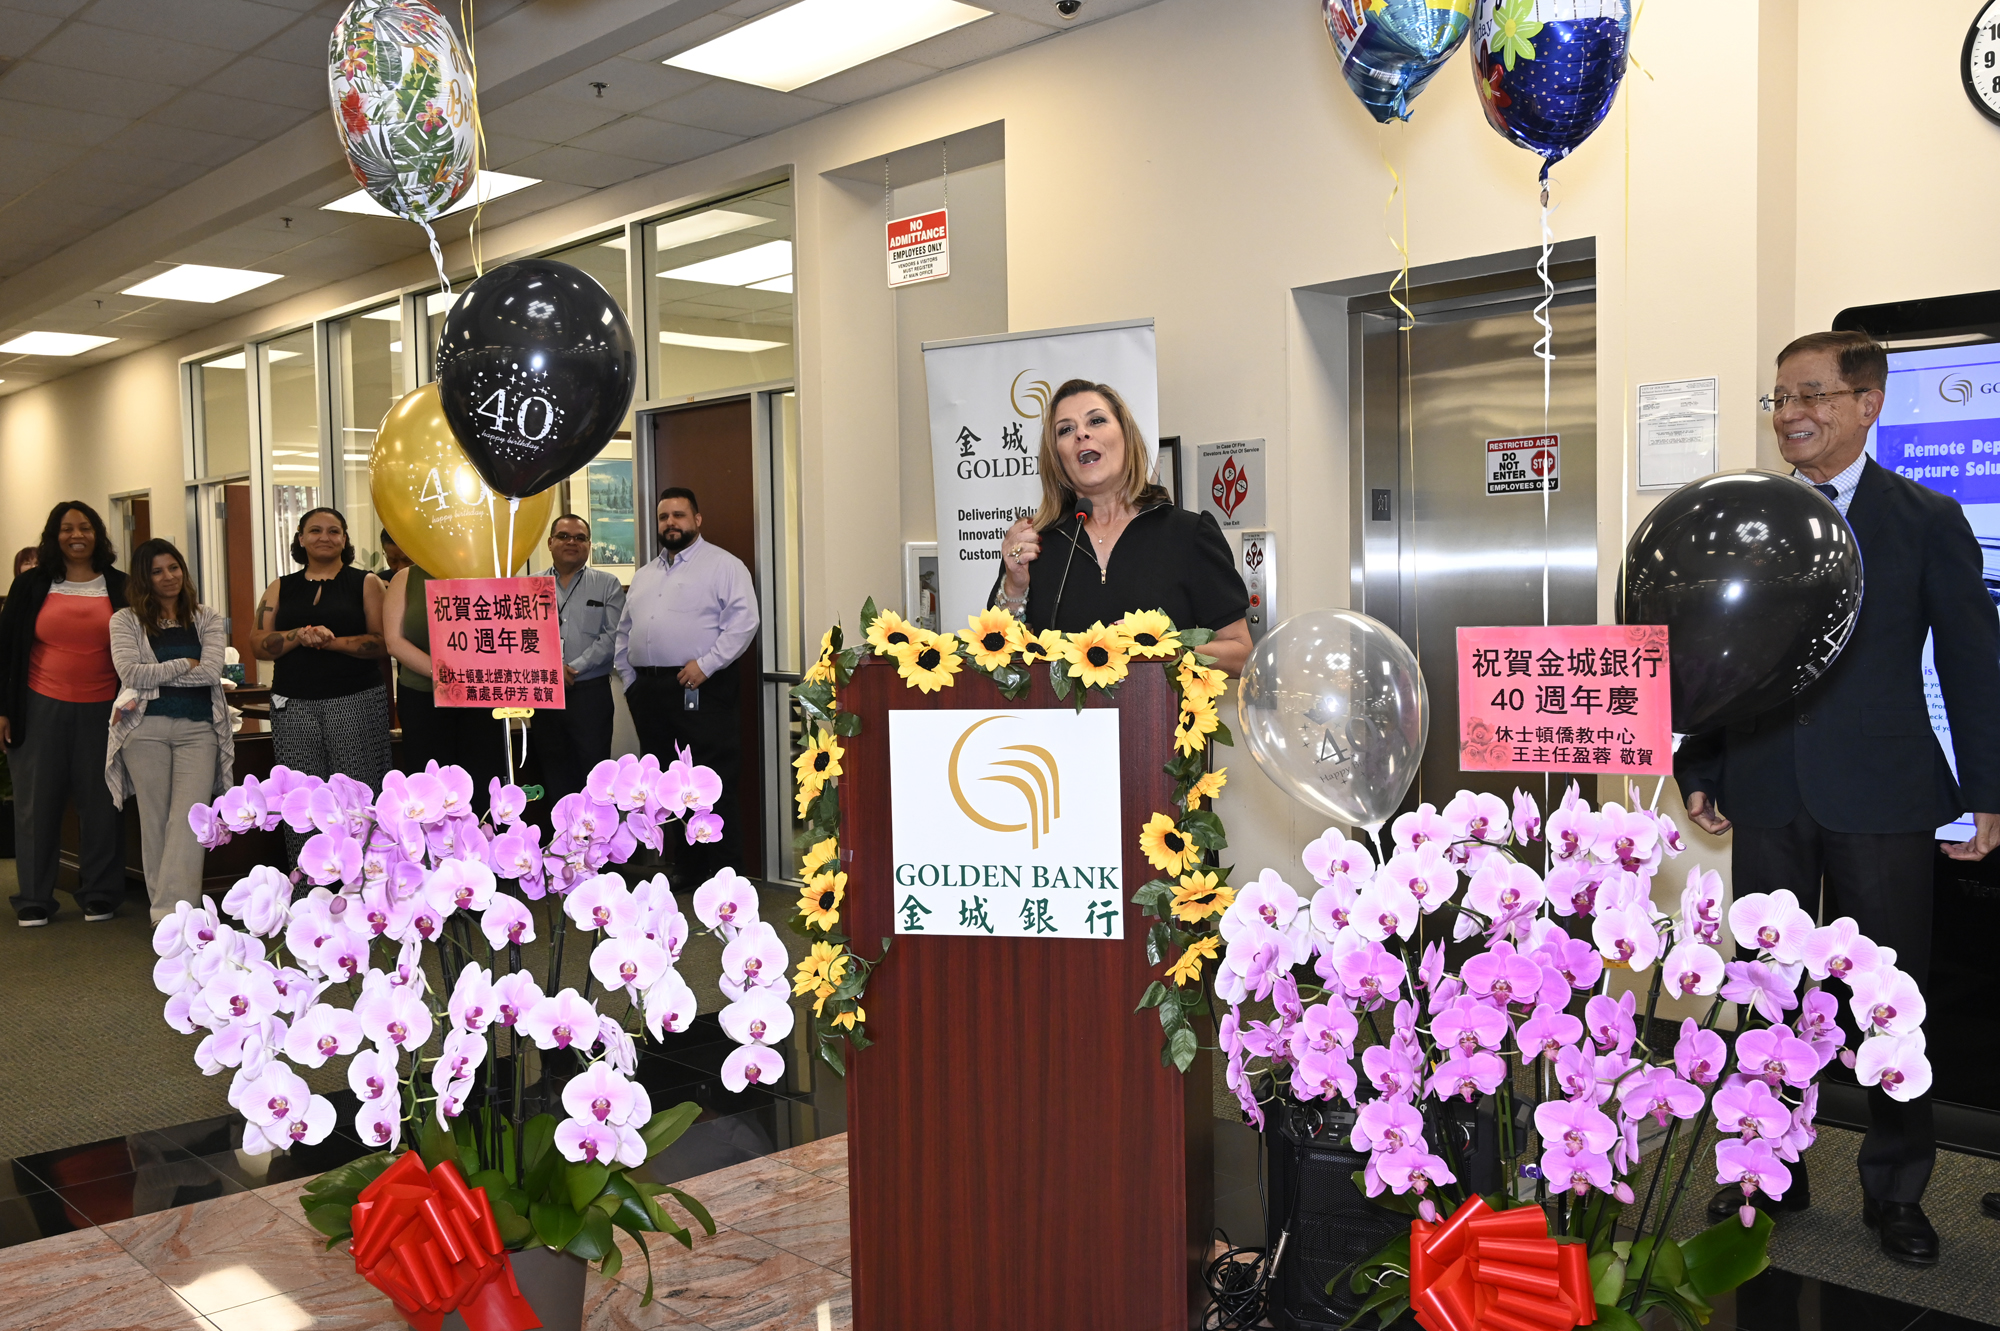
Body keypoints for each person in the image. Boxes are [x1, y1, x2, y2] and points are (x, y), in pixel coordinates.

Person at [1676, 330, 2000, 1267]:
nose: (1792, 414)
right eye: (1780, 397)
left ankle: (1897, 1189)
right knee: (1770, 992)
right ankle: (1768, 1170)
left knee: (1891, 1002)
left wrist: (1988, 789)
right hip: (1767, 785)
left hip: (1884, 793)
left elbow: (1972, 661)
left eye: (1812, 394)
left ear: (1868, 404)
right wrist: (1703, 763)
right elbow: (1720, 652)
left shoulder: (1926, 518)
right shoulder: (1753, 520)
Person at [994, 379, 1252, 676]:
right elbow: (997, 662)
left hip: (1162, 708)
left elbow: (1241, 654)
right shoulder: (1034, 544)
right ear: (1057, 458)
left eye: (1096, 420)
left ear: (1126, 437)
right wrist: (1015, 585)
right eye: (1065, 430)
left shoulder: (1188, 534)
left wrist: (1163, 650)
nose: (1081, 433)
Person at [616, 487, 757, 884]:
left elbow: (744, 622)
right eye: (664, 517)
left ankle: (729, 873)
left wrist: (706, 665)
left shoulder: (724, 566)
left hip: (701, 687)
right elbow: (625, 632)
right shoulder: (645, 575)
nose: (670, 523)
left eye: (679, 515)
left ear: (697, 519)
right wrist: (630, 682)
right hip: (650, 693)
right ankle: (689, 869)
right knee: (668, 785)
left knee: (712, 781)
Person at [0, 502, 129, 924]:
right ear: (54, 535)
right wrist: (3, 709)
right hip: (39, 708)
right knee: (37, 806)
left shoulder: (120, 585)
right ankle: (34, 898)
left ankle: (100, 894)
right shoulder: (32, 584)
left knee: (102, 805)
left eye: (85, 527)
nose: (77, 535)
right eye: (67, 528)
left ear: (98, 534)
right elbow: (6, 649)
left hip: (106, 712)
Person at [106, 538, 232, 924]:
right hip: (144, 729)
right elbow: (130, 673)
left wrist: (161, 673)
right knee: (156, 819)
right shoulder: (125, 620)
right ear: (143, 579)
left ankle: (174, 912)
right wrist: (184, 663)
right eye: (157, 571)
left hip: (199, 731)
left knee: (190, 818)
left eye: (173, 567)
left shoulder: (206, 617)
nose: (168, 577)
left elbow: (211, 672)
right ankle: (168, 916)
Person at [254, 507, 390, 863]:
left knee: (356, 795)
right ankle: (308, 882)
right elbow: (257, 643)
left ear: (344, 539)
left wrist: (331, 642)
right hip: (293, 705)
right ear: (300, 539)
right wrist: (298, 635)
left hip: (355, 701)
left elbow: (383, 642)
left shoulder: (367, 582)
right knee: (300, 798)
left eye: (334, 531)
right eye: (315, 530)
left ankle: (364, 881)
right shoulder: (280, 586)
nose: (324, 537)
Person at [382, 562, 502, 805]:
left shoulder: (490, 571)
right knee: (429, 788)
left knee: (481, 784)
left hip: (481, 696)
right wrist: (448, 674)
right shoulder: (406, 578)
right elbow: (394, 642)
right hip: (422, 698)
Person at [534, 515, 625, 805]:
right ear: (550, 543)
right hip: (545, 696)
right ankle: (559, 832)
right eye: (563, 536)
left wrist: (572, 669)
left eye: (580, 537)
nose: (571, 542)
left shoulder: (607, 585)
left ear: (589, 545)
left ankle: (595, 834)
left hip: (589, 696)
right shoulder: (530, 586)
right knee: (552, 772)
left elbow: (613, 636)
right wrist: (551, 671)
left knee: (594, 776)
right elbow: (520, 636)